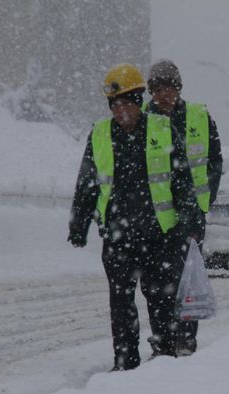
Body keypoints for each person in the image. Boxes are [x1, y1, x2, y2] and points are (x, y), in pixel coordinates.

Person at [67, 63, 202, 371]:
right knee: (121, 302)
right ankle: (125, 361)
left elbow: (182, 182)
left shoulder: (163, 130)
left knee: (160, 299)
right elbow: (87, 182)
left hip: (160, 236)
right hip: (117, 236)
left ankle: (165, 356)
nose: (121, 110)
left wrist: (189, 220)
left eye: (126, 103)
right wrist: (79, 224)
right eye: (115, 105)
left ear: (139, 101)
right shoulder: (100, 134)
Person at [143, 59, 223, 356]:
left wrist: (205, 200)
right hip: (155, 218)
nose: (165, 95)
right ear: (151, 91)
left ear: (179, 88)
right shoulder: (143, 121)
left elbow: (215, 162)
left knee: (187, 278)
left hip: (191, 216)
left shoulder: (198, 117)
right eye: (159, 89)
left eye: (170, 88)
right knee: (153, 281)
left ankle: (185, 339)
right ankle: (162, 338)